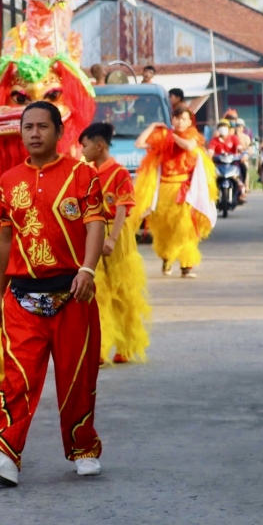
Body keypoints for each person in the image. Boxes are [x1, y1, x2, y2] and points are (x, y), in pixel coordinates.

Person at [0, 101, 106, 487]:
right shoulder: (9, 180)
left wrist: (87, 270)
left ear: (60, 133)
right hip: (23, 297)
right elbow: (6, 240)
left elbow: (96, 225)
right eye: (28, 126)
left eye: (43, 126)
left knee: (76, 378)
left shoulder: (83, 175)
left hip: (72, 294)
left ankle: (83, 447)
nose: (34, 133)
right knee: (17, 378)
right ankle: (2, 453)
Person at [80, 122, 150, 365]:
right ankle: (100, 347)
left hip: (115, 234)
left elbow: (121, 209)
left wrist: (111, 239)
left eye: (85, 145)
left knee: (122, 290)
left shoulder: (119, 172)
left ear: (99, 146)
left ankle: (126, 345)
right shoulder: (86, 172)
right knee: (97, 292)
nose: (82, 151)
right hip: (92, 234)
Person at [132, 106, 218, 278]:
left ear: (189, 121)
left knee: (186, 227)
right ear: (173, 120)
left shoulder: (192, 135)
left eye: (184, 119)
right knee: (165, 228)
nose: (180, 122)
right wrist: (153, 127)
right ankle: (167, 259)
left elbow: (188, 146)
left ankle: (186, 266)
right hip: (164, 190)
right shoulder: (163, 136)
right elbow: (140, 144)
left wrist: (172, 136)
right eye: (177, 118)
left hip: (184, 190)